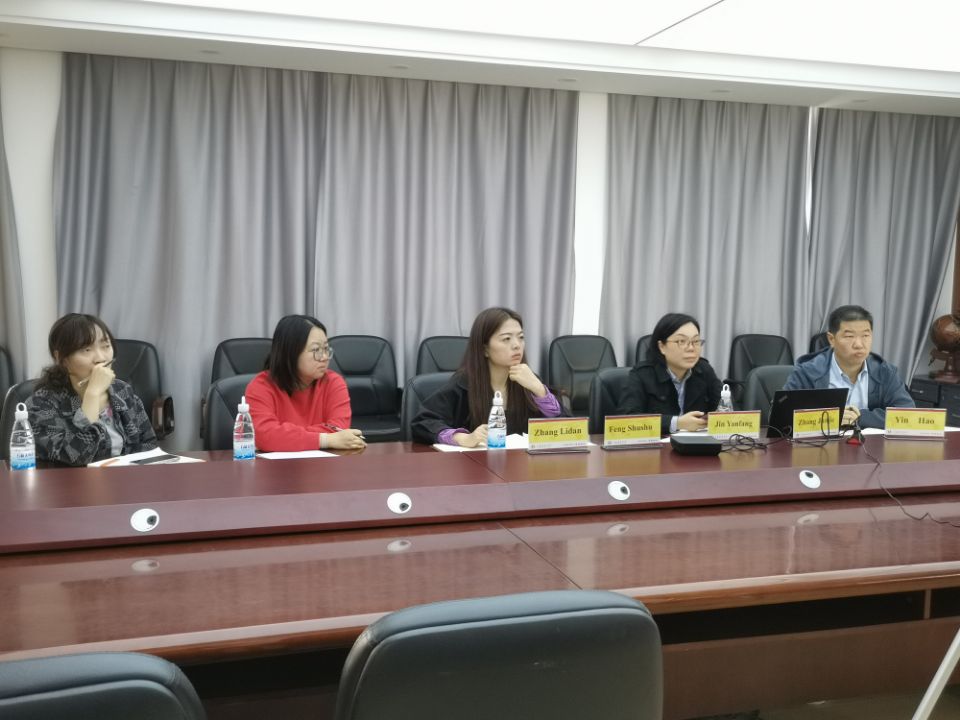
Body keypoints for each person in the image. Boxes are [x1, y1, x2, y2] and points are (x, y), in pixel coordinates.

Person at [411, 307, 564, 446]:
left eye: (521, 337)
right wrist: (462, 438)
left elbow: (566, 428)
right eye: (506, 339)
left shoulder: (529, 381)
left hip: (521, 464)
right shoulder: (464, 383)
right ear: (485, 349)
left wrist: (540, 391)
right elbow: (423, 422)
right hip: (474, 464)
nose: (517, 345)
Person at [26, 313, 157, 466]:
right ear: (61, 358)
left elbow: (149, 445)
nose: (101, 358)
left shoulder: (122, 391)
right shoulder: (42, 403)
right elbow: (76, 456)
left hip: (125, 477)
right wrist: (93, 394)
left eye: (106, 346)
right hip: (71, 480)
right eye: (86, 350)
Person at [245, 314, 365, 451]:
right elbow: (265, 436)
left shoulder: (333, 382)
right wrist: (326, 439)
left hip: (323, 463)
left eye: (326, 349)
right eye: (316, 350)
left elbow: (339, 429)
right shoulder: (260, 387)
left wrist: (286, 436)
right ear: (291, 352)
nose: (324, 357)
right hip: (277, 465)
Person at [784, 305, 914, 429]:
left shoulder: (884, 372)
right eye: (849, 336)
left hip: (870, 444)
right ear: (831, 339)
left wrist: (859, 418)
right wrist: (832, 419)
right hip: (822, 444)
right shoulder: (807, 372)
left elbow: (907, 414)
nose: (859, 344)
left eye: (865, 336)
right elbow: (784, 417)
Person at [618, 312, 722, 435]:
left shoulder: (704, 370)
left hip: (696, 444)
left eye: (696, 341)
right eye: (681, 341)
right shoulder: (641, 375)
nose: (691, 348)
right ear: (662, 346)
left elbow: (729, 409)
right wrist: (677, 423)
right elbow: (625, 421)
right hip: (657, 445)